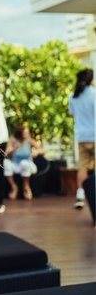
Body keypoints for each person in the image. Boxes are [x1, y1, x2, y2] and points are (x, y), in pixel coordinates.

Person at [68, 68, 94, 209]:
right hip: (94, 135)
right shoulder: (94, 94)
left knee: (83, 167)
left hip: (82, 136)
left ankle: (80, 195)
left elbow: (72, 113)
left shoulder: (73, 96)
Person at [3, 124, 43, 200]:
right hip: (15, 165)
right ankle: (14, 187)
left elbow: (42, 150)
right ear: (19, 133)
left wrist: (37, 152)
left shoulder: (29, 141)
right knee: (6, 163)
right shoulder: (12, 141)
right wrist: (14, 148)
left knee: (24, 163)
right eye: (26, 133)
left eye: (28, 132)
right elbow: (6, 154)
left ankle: (26, 187)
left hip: (28, 165)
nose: (28, 134)